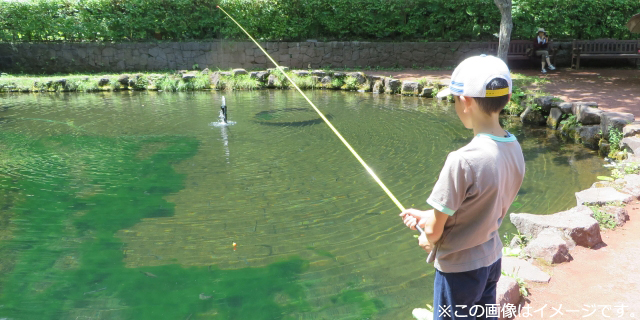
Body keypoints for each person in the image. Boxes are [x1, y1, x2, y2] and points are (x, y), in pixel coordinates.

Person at [400, 55, 526, 319]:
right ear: (508, 97)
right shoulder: (514, 147)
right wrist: (428, 216)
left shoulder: (462, 160)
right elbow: (482, 205)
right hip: (491, 260)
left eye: (454, 99)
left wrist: (429, 236)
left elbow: (434, 232)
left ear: (465, 101)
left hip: (459, 271)